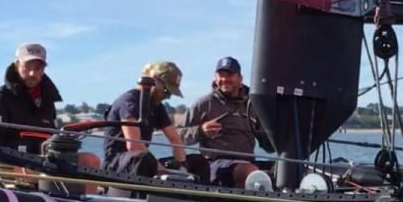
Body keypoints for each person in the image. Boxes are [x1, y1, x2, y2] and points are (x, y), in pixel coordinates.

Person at [0, 43, 100, 186]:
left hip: (42, 166)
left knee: (91, 161)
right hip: (6, 168)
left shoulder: (47, 102)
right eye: (27, 67)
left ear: (43, 70)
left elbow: (52, 140)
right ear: (17, 65)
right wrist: (15, 162)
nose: (32, 73)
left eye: (38, 68)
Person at [179, 56, 274, 187]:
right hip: (215, 163)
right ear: (215, 77)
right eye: (220, 75)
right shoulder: (204, 104)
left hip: (248, 162)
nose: (224, 79)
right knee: (250, 173)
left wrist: (279, 133)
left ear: (240, 78)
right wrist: (201, 131)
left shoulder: (254, 105)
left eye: (229, 75)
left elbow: (270, 147)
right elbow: (178, 136)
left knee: (277, 173)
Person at [102, 61, 190, 179]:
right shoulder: (129, 102)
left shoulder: (156, 105)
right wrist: (166, 174)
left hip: (141, 161)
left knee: (196, 161)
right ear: (154, 79)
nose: (168, 96)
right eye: (166, 91)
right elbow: (134, 146)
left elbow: (175, 140)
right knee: (142, 158)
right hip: (118, 164)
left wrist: (182, 167)